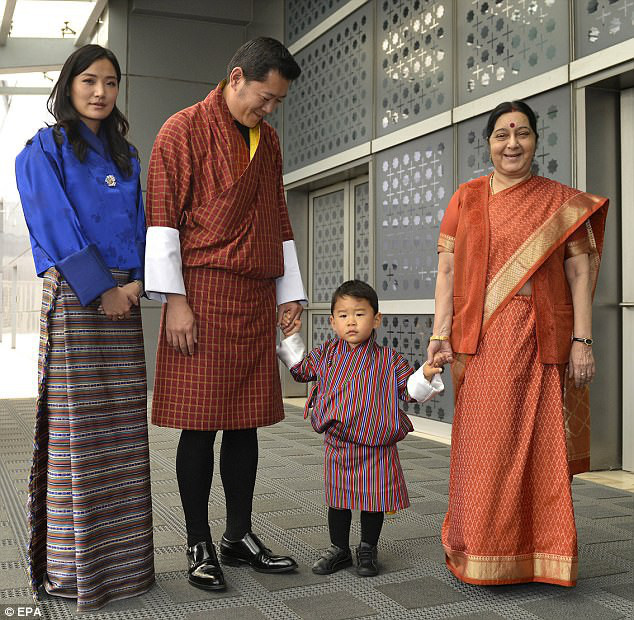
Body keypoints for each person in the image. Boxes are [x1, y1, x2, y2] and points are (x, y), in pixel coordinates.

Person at [144, 37, 306, 591]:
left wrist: (290, 293)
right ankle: (198, 539)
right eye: (264, 98)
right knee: (200, 425)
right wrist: (177, 301)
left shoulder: (270, 141)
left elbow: (278, 218)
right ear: (235, 77)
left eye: (276, 102)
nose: (268, 109)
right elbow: (162, 220)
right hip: (203, 293)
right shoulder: (181, 130)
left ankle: (238, 536)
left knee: (246, 425)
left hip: (256, 295)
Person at [429, 100, 609, 587]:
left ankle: (539, 553)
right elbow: (447, 271)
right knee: (484, 449)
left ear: (535, 140)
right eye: (502, 134)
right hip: (483, 339)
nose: (512, 143)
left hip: (540, 335)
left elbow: (579, 271)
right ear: (488, 143)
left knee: (538, 448)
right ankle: (481, 550)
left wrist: (582, 340)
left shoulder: (558, 200)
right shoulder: (466, 198)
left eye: (522, 133)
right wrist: (439, 334)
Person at [15, 45, 153, 611]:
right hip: (79, 298)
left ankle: (125, 570)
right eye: (89, 80)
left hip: (126, 300)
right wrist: (101, 288)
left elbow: (145, 222)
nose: (100, 92)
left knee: (121, 434)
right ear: (68, 85)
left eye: (111, 83)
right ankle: (75, 572)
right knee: (80, 435)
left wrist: (139, 283)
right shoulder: (42, 148)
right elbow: (52, 220)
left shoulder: (127, 155)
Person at [277, 280, 444, 577]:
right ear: (332, 321)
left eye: (359, 313)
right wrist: (291, 336)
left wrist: (427, 373)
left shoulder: (390, 360)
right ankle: (338, 548)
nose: (351, 321)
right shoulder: (326, 353)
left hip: (377, 444)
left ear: (376, 318)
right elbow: (300, 370)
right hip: (339, 443)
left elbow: (408, 391)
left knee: (374, 499)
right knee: (338, 500)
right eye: (343, 315)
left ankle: (368, 547)